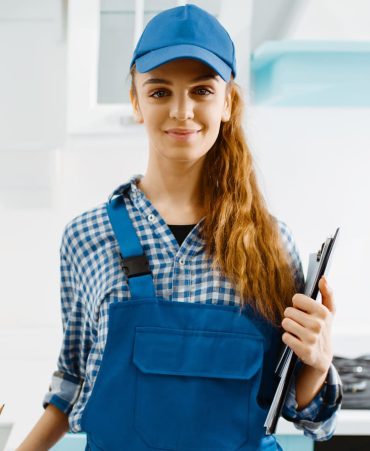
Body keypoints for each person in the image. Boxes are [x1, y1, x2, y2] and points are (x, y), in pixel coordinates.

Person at [17, 4, 342, 450]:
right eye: (159, 92)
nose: (182, 111)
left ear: (228, 102)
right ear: (136, 100)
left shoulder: (270, 243)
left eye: (202, 91)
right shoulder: (86, 237)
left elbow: (311, 422)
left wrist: (318, 363)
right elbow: (71, 382)